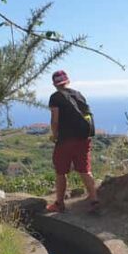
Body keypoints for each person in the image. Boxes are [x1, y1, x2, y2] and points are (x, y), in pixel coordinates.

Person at [46, 70, 99, 213]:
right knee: (85, 170)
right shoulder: (78, 94)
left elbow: (55, 120)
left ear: (54, 84)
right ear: (67, 81)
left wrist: (54, 134)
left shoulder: (55, 97)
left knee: (61, 171)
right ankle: (94, 201)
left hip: (65, 140)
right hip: (83, 138)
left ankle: (59, 204)